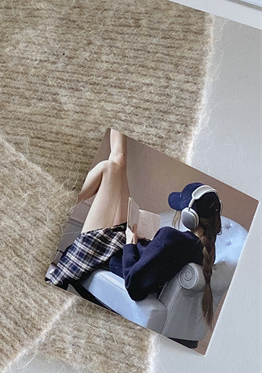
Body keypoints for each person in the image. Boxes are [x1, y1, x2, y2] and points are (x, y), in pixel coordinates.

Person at [46, 130, 222, 325]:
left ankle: (55, 204)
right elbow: (158, 262)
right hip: (123, 246)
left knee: (108, 168)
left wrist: (131, 243)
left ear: (190, 217)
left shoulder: (171, 238)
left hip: (106, 252)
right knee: (118, 162)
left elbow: (134, 285)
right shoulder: (202, 250)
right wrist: (143, 242)